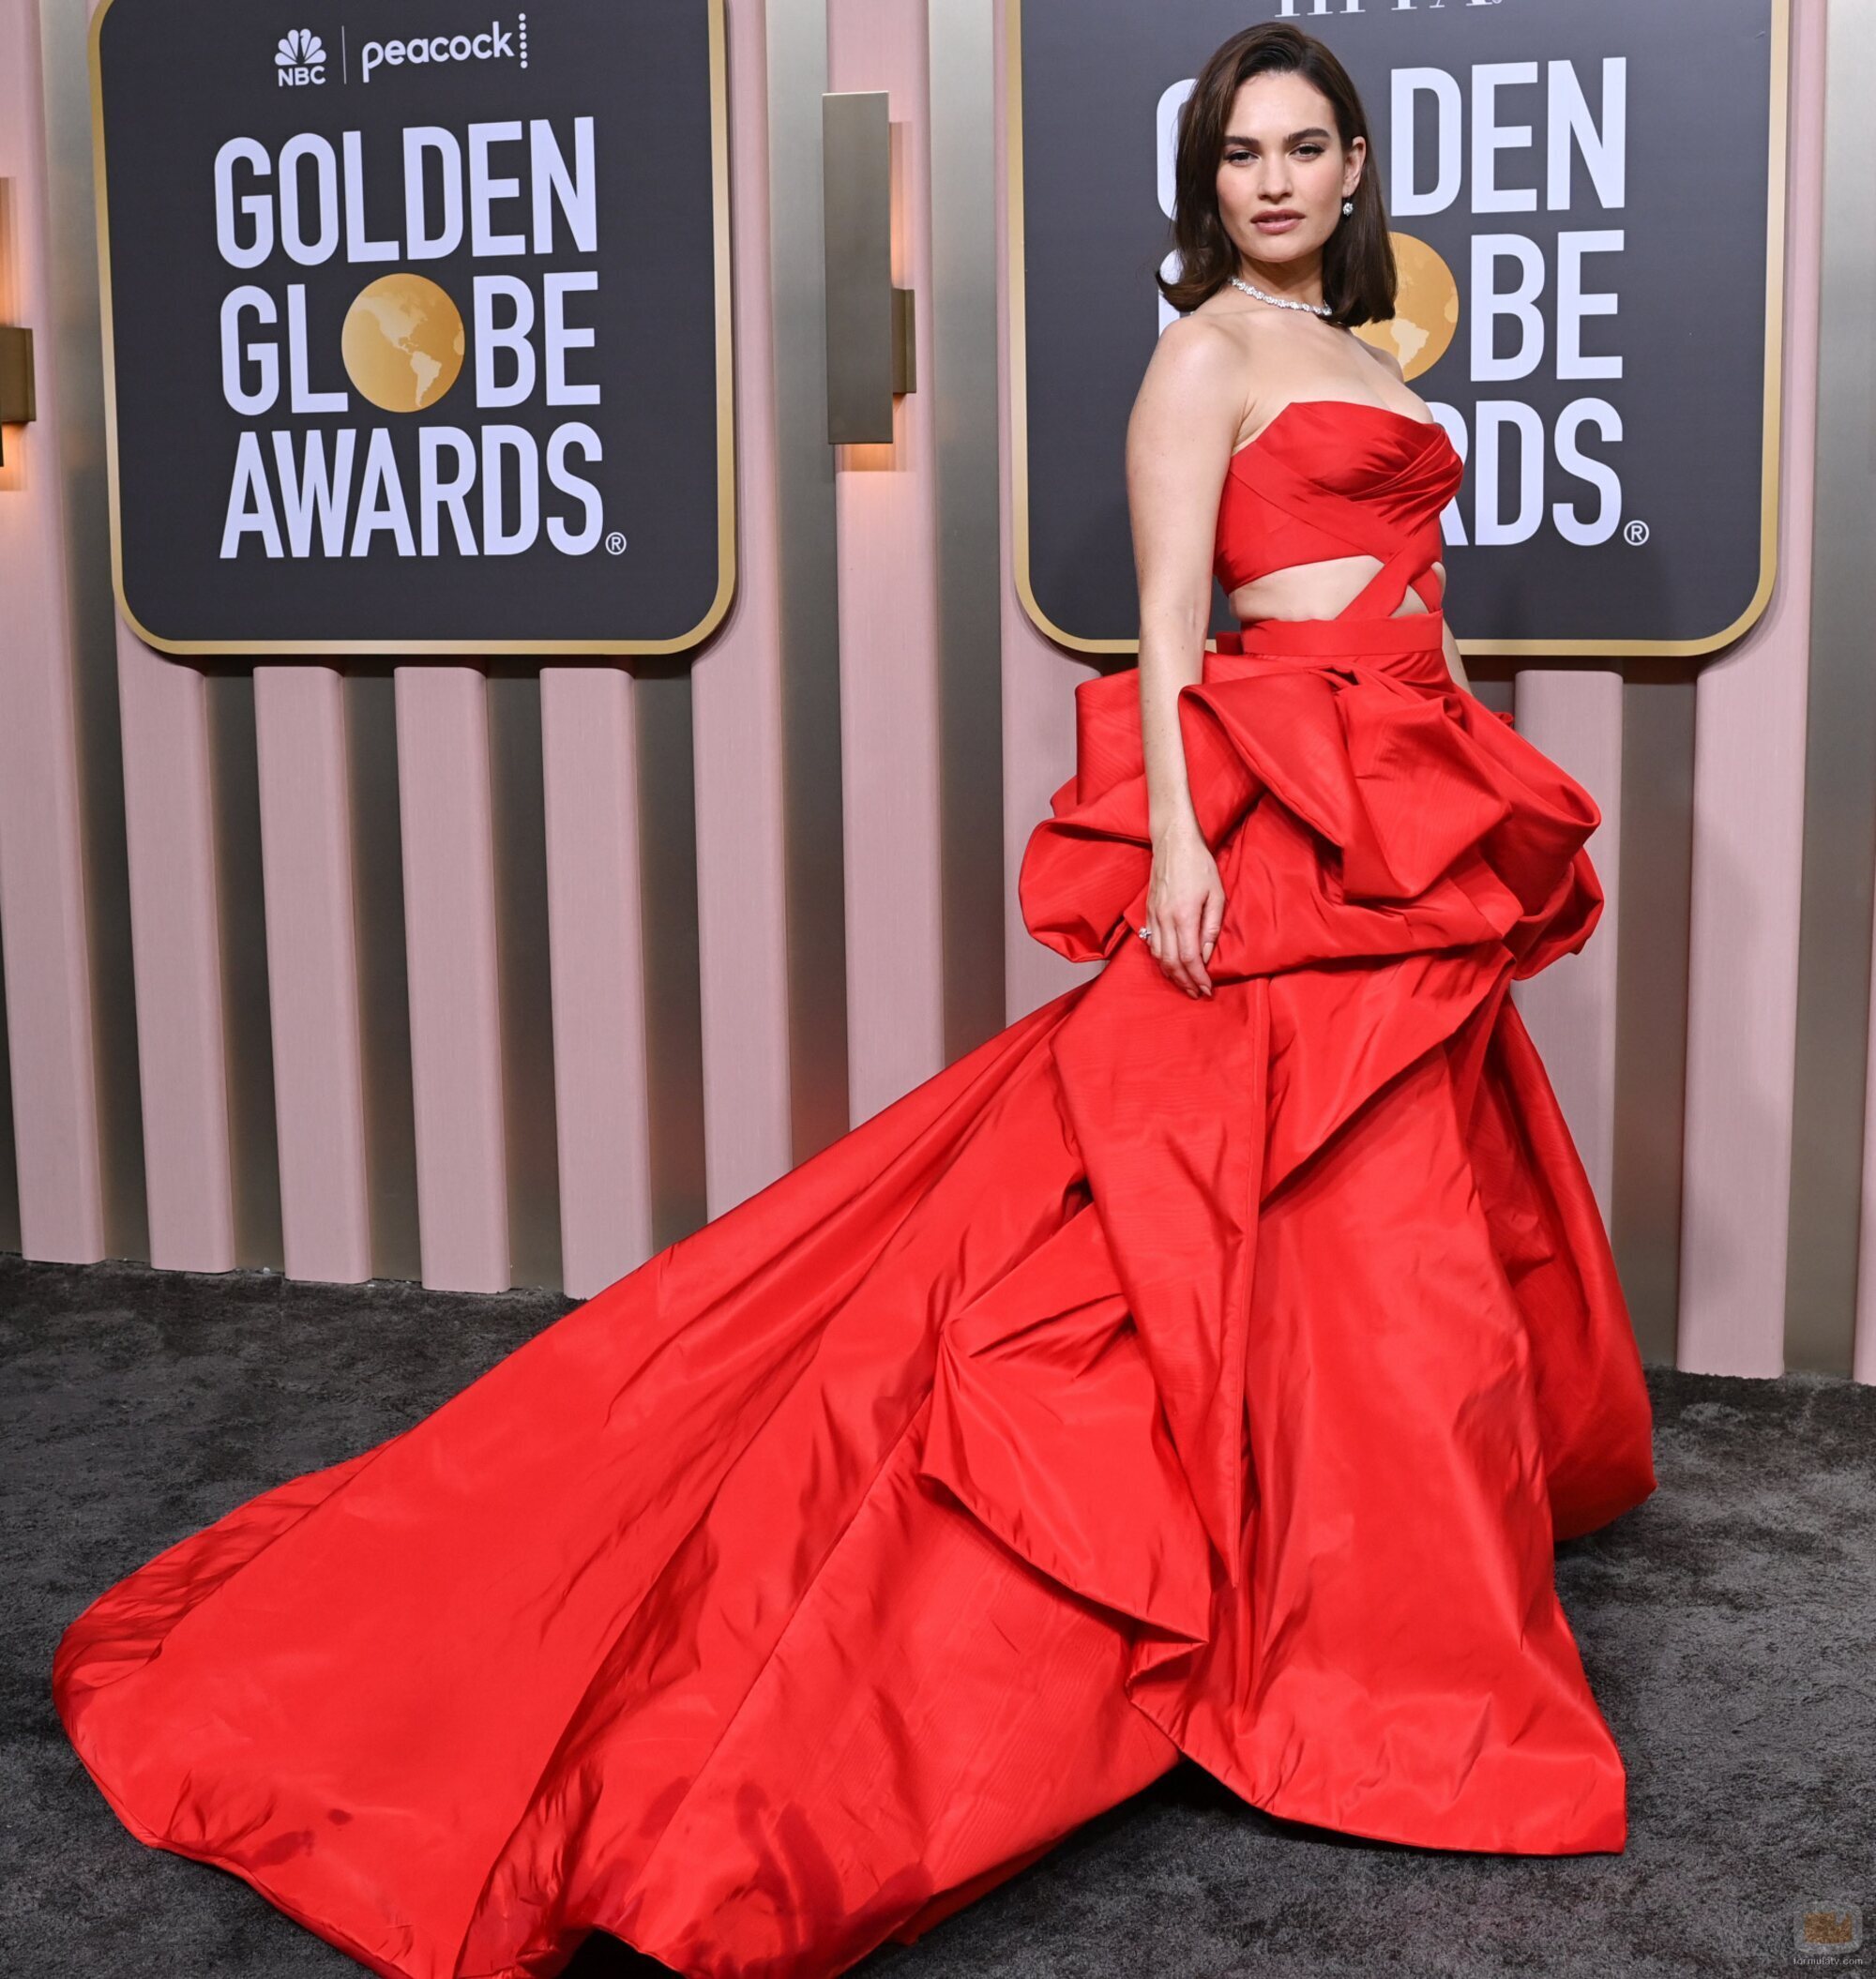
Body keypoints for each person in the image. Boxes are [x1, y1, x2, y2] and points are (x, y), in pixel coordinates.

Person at [50, 22, 1656, 1979]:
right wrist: (1172, 839)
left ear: (1350, 169)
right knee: (1262, 1222)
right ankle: (1326, 1618)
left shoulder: (1364, 350)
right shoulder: (1203, 354)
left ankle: (1371, 1586)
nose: (1274, 180)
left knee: (1381, 1234)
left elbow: (1415, 575)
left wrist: (1457, 734)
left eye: (1305, 147)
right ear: (1205, 180)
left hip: (1400, 790)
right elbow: (1164, 623)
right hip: (1272, 806)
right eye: (1242, 151)